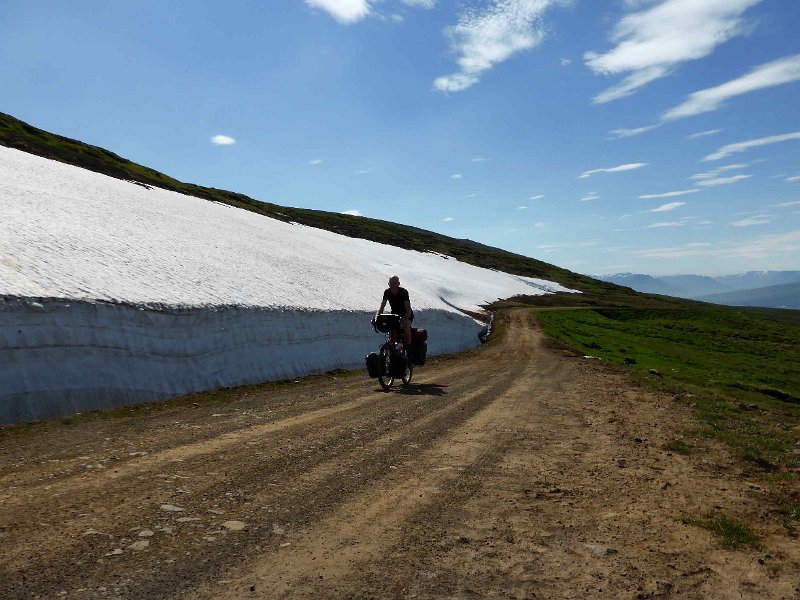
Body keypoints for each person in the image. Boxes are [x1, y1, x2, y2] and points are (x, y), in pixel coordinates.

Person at [376, 275, 413, 347]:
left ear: (399, 284)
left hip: (406, 314)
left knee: (406, 326)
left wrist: (405, 318)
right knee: (391, 328)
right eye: (391, 283)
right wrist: (377, 317)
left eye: (395, 283)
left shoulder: (404, 292)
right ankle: (393, 346)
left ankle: (408, 345)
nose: (393, 285)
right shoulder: (387, 292)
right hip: (394, 314)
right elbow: (382, 306)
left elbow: (408, 308)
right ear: (388, 284)